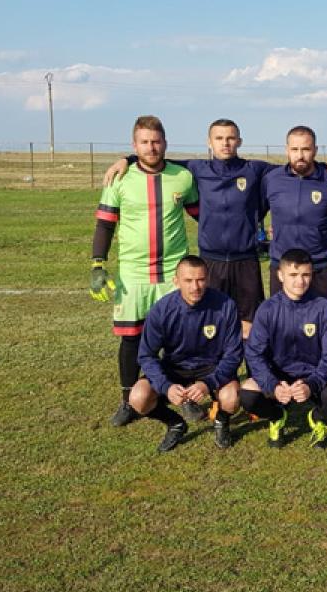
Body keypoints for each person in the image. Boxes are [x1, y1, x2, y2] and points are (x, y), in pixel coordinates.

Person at [103, 119, 274, 340]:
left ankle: (251, 364)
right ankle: (214, 363)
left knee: (250, 327)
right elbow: (155, 159)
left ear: (239, 141)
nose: (225, 143)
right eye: (219, 138)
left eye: (231, 138)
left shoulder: (255, 169)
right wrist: (128, 159)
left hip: (246, 261)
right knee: (211, 325)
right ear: (209, 142)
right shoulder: (196, 168)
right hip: (211, 261)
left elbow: (291, 171)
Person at [90, 115, 198, 427]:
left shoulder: (183, 177)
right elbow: (105, 225)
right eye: (144, 142)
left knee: (178, 339)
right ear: (134, 145)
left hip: (172, 275)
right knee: (132, 339)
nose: (151, 148)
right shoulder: (120, 179)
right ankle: (128, 401)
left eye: (156, 141)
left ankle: (185, 398)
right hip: (134, 276)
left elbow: (202, 214)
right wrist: (97, 263)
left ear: (165, 143)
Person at [129, 256, 243, 451]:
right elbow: (146, 355)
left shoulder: (226, 306)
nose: (195, 287)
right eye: (188, 280)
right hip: (175, 368)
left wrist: (208, 383)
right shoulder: (161, 310)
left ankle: (221, 421)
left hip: (211, 367)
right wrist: (166, 386)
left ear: (208, 279)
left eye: (200, 280)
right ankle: (175, 423)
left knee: (231, 398)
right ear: (176, 281)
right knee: (138, 398)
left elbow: (233, 355)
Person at [239, 249, 327, 449]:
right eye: (293, 275)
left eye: (306, 275)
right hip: (278, 377)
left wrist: (311, 384)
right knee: (247, 394)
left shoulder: (322, 307)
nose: (300, 281)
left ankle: (317, 418)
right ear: (280, 275)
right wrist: (273, 385)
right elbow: (254, 354)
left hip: (312, 375)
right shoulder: (267, 309)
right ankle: (277, 415)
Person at [260, 125, 327, 306]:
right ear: (287, 150)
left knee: (323, 321)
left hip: (319, 267)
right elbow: (257, 211)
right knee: (281, 321)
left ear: (315, 150)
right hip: (283, 267)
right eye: (295, 149)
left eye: (306, 149)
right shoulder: (272, 179)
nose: (300, 155)